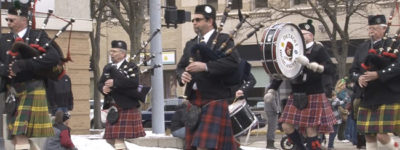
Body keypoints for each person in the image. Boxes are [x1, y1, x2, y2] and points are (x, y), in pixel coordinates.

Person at [176, 4, 240, 150]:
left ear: (210, 21)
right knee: (193, 146)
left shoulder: (224, 40)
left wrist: (205, 67)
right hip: (193, 100)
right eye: (193, 20)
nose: (194, 23)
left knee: (203, 146)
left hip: (214, 98)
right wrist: (182, 75)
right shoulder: (190, 44)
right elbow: (180, 67)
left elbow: (233, 62)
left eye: (198, 20)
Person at [265, 19, 336, 150]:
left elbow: (331, 69)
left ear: (311, 35)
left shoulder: (318, 49)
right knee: (286, 125)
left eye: (304, 34)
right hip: (296, 93)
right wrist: (272, 89)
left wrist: (316, 67)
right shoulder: (295, 49)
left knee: (310, 129)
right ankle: (300, 147)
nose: (301, 36)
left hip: (314, 93)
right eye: (300, 33)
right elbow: (285, 70)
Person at [0, 4, 60, 149]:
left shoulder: (37, 36)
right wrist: (6, 70)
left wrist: (24, 65)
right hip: (12, 91)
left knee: (20, 135)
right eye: (7, 19)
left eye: (11, 20)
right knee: (15, 137)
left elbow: (53, 57)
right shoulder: (3, 39)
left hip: (32, 88)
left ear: (24, 20)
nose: (7, 23)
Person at [349, 14, 400, 150]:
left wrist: (378, 75)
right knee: (369, 136)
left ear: (384, 29)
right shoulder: (362, 48)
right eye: (370, 28)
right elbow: (353, 70)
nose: (371, 31)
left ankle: (396, 147)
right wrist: (358, 78)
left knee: (382, 136)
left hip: (387, 95)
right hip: (367, 96)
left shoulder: (394, 44)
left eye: (375, 28)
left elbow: (398, 67)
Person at [98, 40, 146, 150]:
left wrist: (115, 83)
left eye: (114, 51)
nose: (112, 53)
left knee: (118, 140)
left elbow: (133, 83)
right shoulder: (108, 67)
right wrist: (102, 88)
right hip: (112, 107)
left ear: (123, 54)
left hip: (126, 106)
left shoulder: (131, 66)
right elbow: (100, 82)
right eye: (111, 51)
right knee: (110, 139)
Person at [264, 79, 291, 149]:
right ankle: (270, 144)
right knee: (272, 127)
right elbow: (272, 100)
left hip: (272, 110)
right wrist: (277, 110)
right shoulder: (270, 87)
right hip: (272, 110)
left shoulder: (269, 86)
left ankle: (271, 143)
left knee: (273, 127)